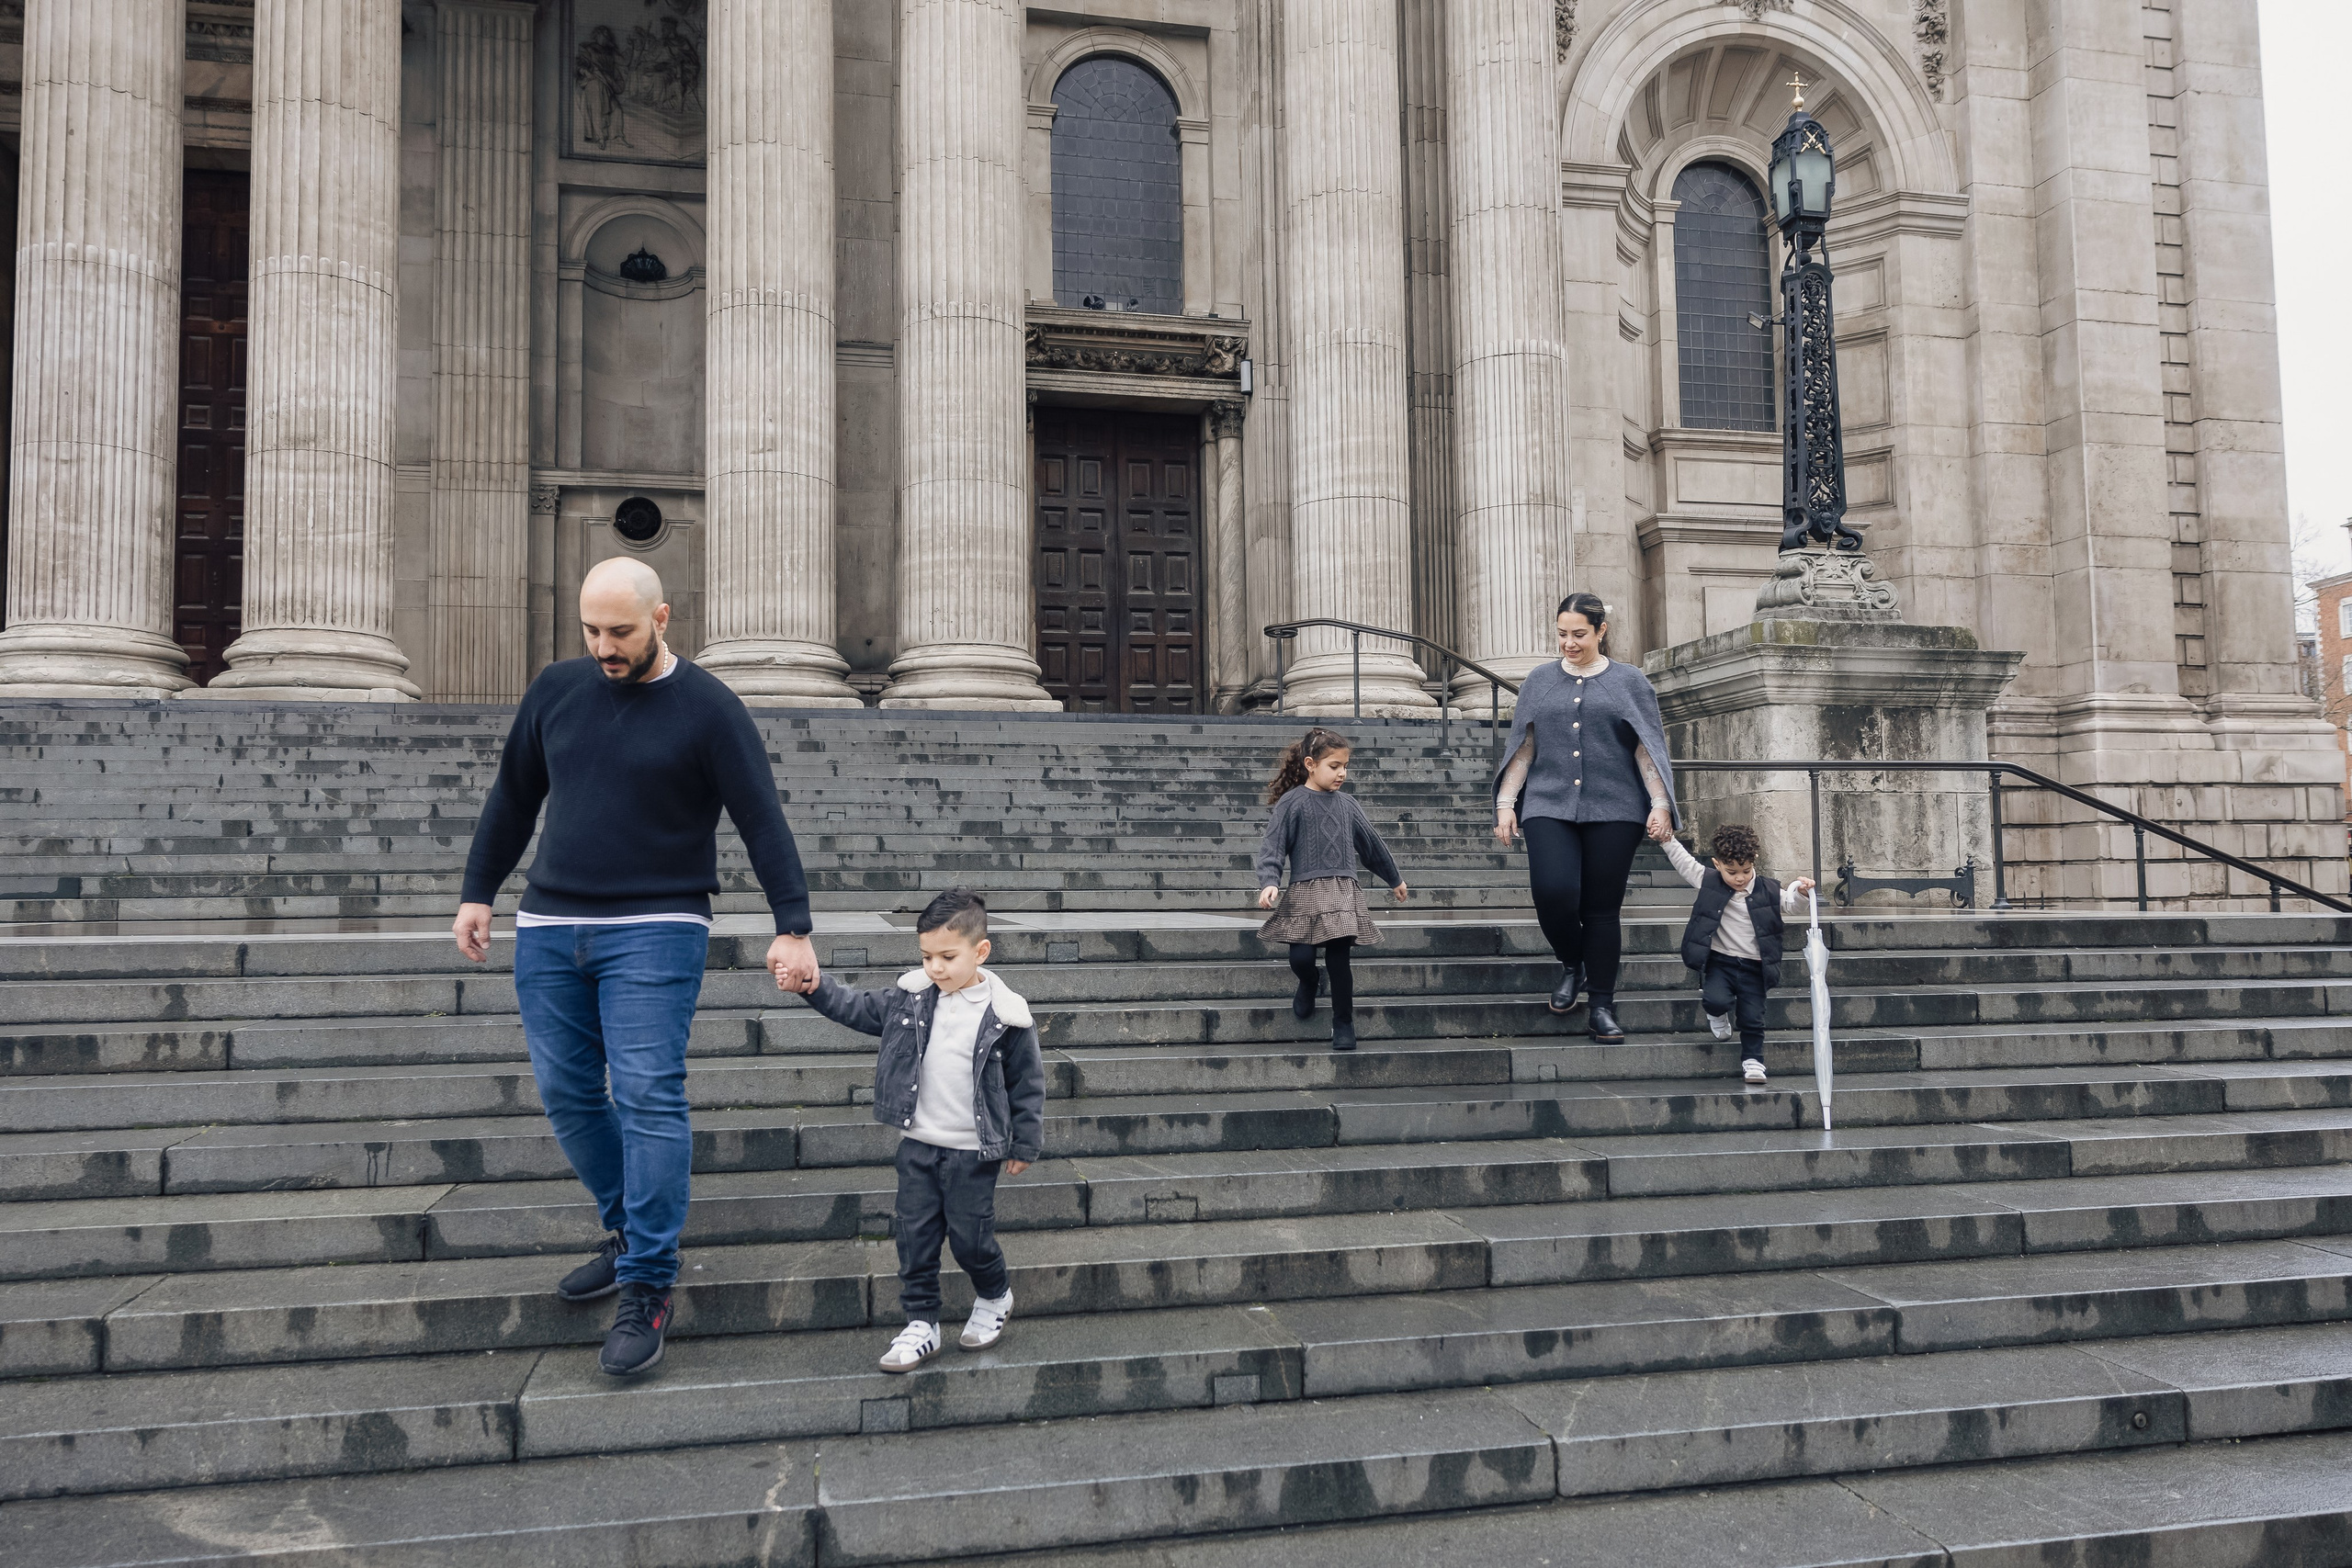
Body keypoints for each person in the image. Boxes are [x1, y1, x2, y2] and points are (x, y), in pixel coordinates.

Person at [452, 557, 820, 1379]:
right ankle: (629, 1234)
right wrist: (480, 891)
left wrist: (793, 925)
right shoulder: (556, 689)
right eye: (591, 629)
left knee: (650, 1091)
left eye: (620, 631)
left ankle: (649, 1280)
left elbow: (761, 818)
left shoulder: (710, 708)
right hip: (550, 924)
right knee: (570, 1093)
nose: (604, 647)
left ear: (662, 619)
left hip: (657, 923)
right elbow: (514, 795)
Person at [798, 888, 1046, 1373]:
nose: (935, 967)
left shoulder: (1007, 1016)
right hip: (919, 1146)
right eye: (927, 956)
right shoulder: (909, 998)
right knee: (914, 1237)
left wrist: (1024, 1142)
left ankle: (995, 1295)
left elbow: (1027, 1084)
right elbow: (852, 1006)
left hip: (974, 1152)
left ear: (981, 951)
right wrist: (812, 986)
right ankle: (921, 1324)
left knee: (970, 1239)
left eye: (947, 957)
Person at [1492, 592, 1678, 1044]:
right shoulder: (1539, 681)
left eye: (1579, 634)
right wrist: (1505, 804)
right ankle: (1572, 962)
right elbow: (1524, 747)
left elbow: (1645, 747)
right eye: (1562, 634)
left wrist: (1659, 803)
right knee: (1553, 892)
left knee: (1600, 909)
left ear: (1601, 631)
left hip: (1616, 808)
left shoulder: (1630, 681)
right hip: (1547, 803)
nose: (1569, 643)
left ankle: (1601, 1006)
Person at [1256, 727, 1409, 1054]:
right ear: (1310, 764)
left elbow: (1372, 846)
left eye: (1345, 766)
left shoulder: (1348, 805)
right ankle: (1309, 982)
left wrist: (1394, 878)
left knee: (1340, 962)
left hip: (1342, 893)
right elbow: (1273, 846)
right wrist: (1270, 881)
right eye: (1334, 766)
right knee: (1301, 958)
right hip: (1304, 893)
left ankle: (1343, 1023)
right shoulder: (1292, 803)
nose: (1342, 773)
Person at [1656, 821, 1815, 1085]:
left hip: (1756, 966)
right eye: (1731, 872)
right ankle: (1717, 1015)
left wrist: (1800, 891)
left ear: (1754, 862)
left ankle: (1753, 1061)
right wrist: (1667, 840)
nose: (1740, 878)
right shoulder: (1709, 881)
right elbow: (1685, 863)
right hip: (1721, 962)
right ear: (1718, 864)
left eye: (1745, 870)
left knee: (1753, 1017)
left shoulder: (1769, 889)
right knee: (1715, 1000)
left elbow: (1792, 905)